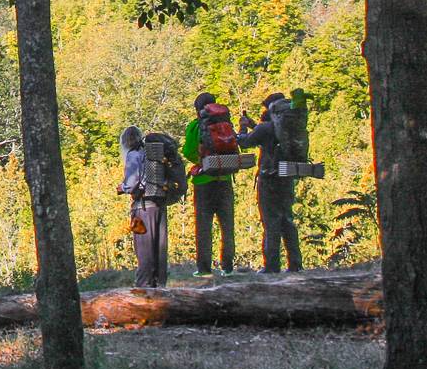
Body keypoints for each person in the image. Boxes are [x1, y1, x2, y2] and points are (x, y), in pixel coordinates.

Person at [236, 92, 304, 273]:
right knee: (287, 219)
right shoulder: (287, 125)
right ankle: (295, 263)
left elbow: (244, 142)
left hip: (269, 177)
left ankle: (272, 265)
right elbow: (267, 136)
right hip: (287, 175)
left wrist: (243, 128)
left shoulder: (265, 128)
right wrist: (253, 124)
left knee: (271, 220)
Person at [180, 91, 235, 277]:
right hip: (225, 178)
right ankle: (227, 266)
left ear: (197, 110)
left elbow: (188, 151)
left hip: (204, 181)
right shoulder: (225, 124)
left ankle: (204, 268)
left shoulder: (196, 126)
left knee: (204, 226)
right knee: (227, 225)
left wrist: (202, 160)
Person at [118, 126, 168, 288]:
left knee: (143, 250)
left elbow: (132, 183)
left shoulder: (133, 155)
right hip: (159, 205)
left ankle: (143, 286)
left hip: (141, 209)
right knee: (159, 250)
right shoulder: (151, 153)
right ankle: (160, 285)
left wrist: (122, 188)